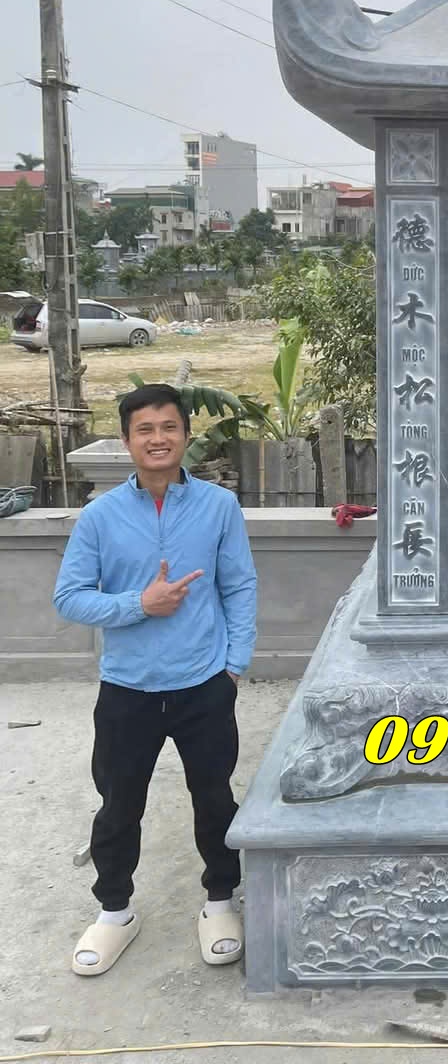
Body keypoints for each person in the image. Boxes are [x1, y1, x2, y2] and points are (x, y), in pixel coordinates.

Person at [54, 383, 258, 975]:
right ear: (126, 441)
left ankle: (220, 901)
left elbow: (239, 585)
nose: (158, 439)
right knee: (119, 804)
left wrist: (235, 664)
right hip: (127, 687)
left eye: (169, 427)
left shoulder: (219, 507)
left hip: (203, 684)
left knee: (214, 798)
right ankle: (114, 911)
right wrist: (139, 604)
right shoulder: (100, 517)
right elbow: (69, 597)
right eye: (144, 429)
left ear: (186, 436)